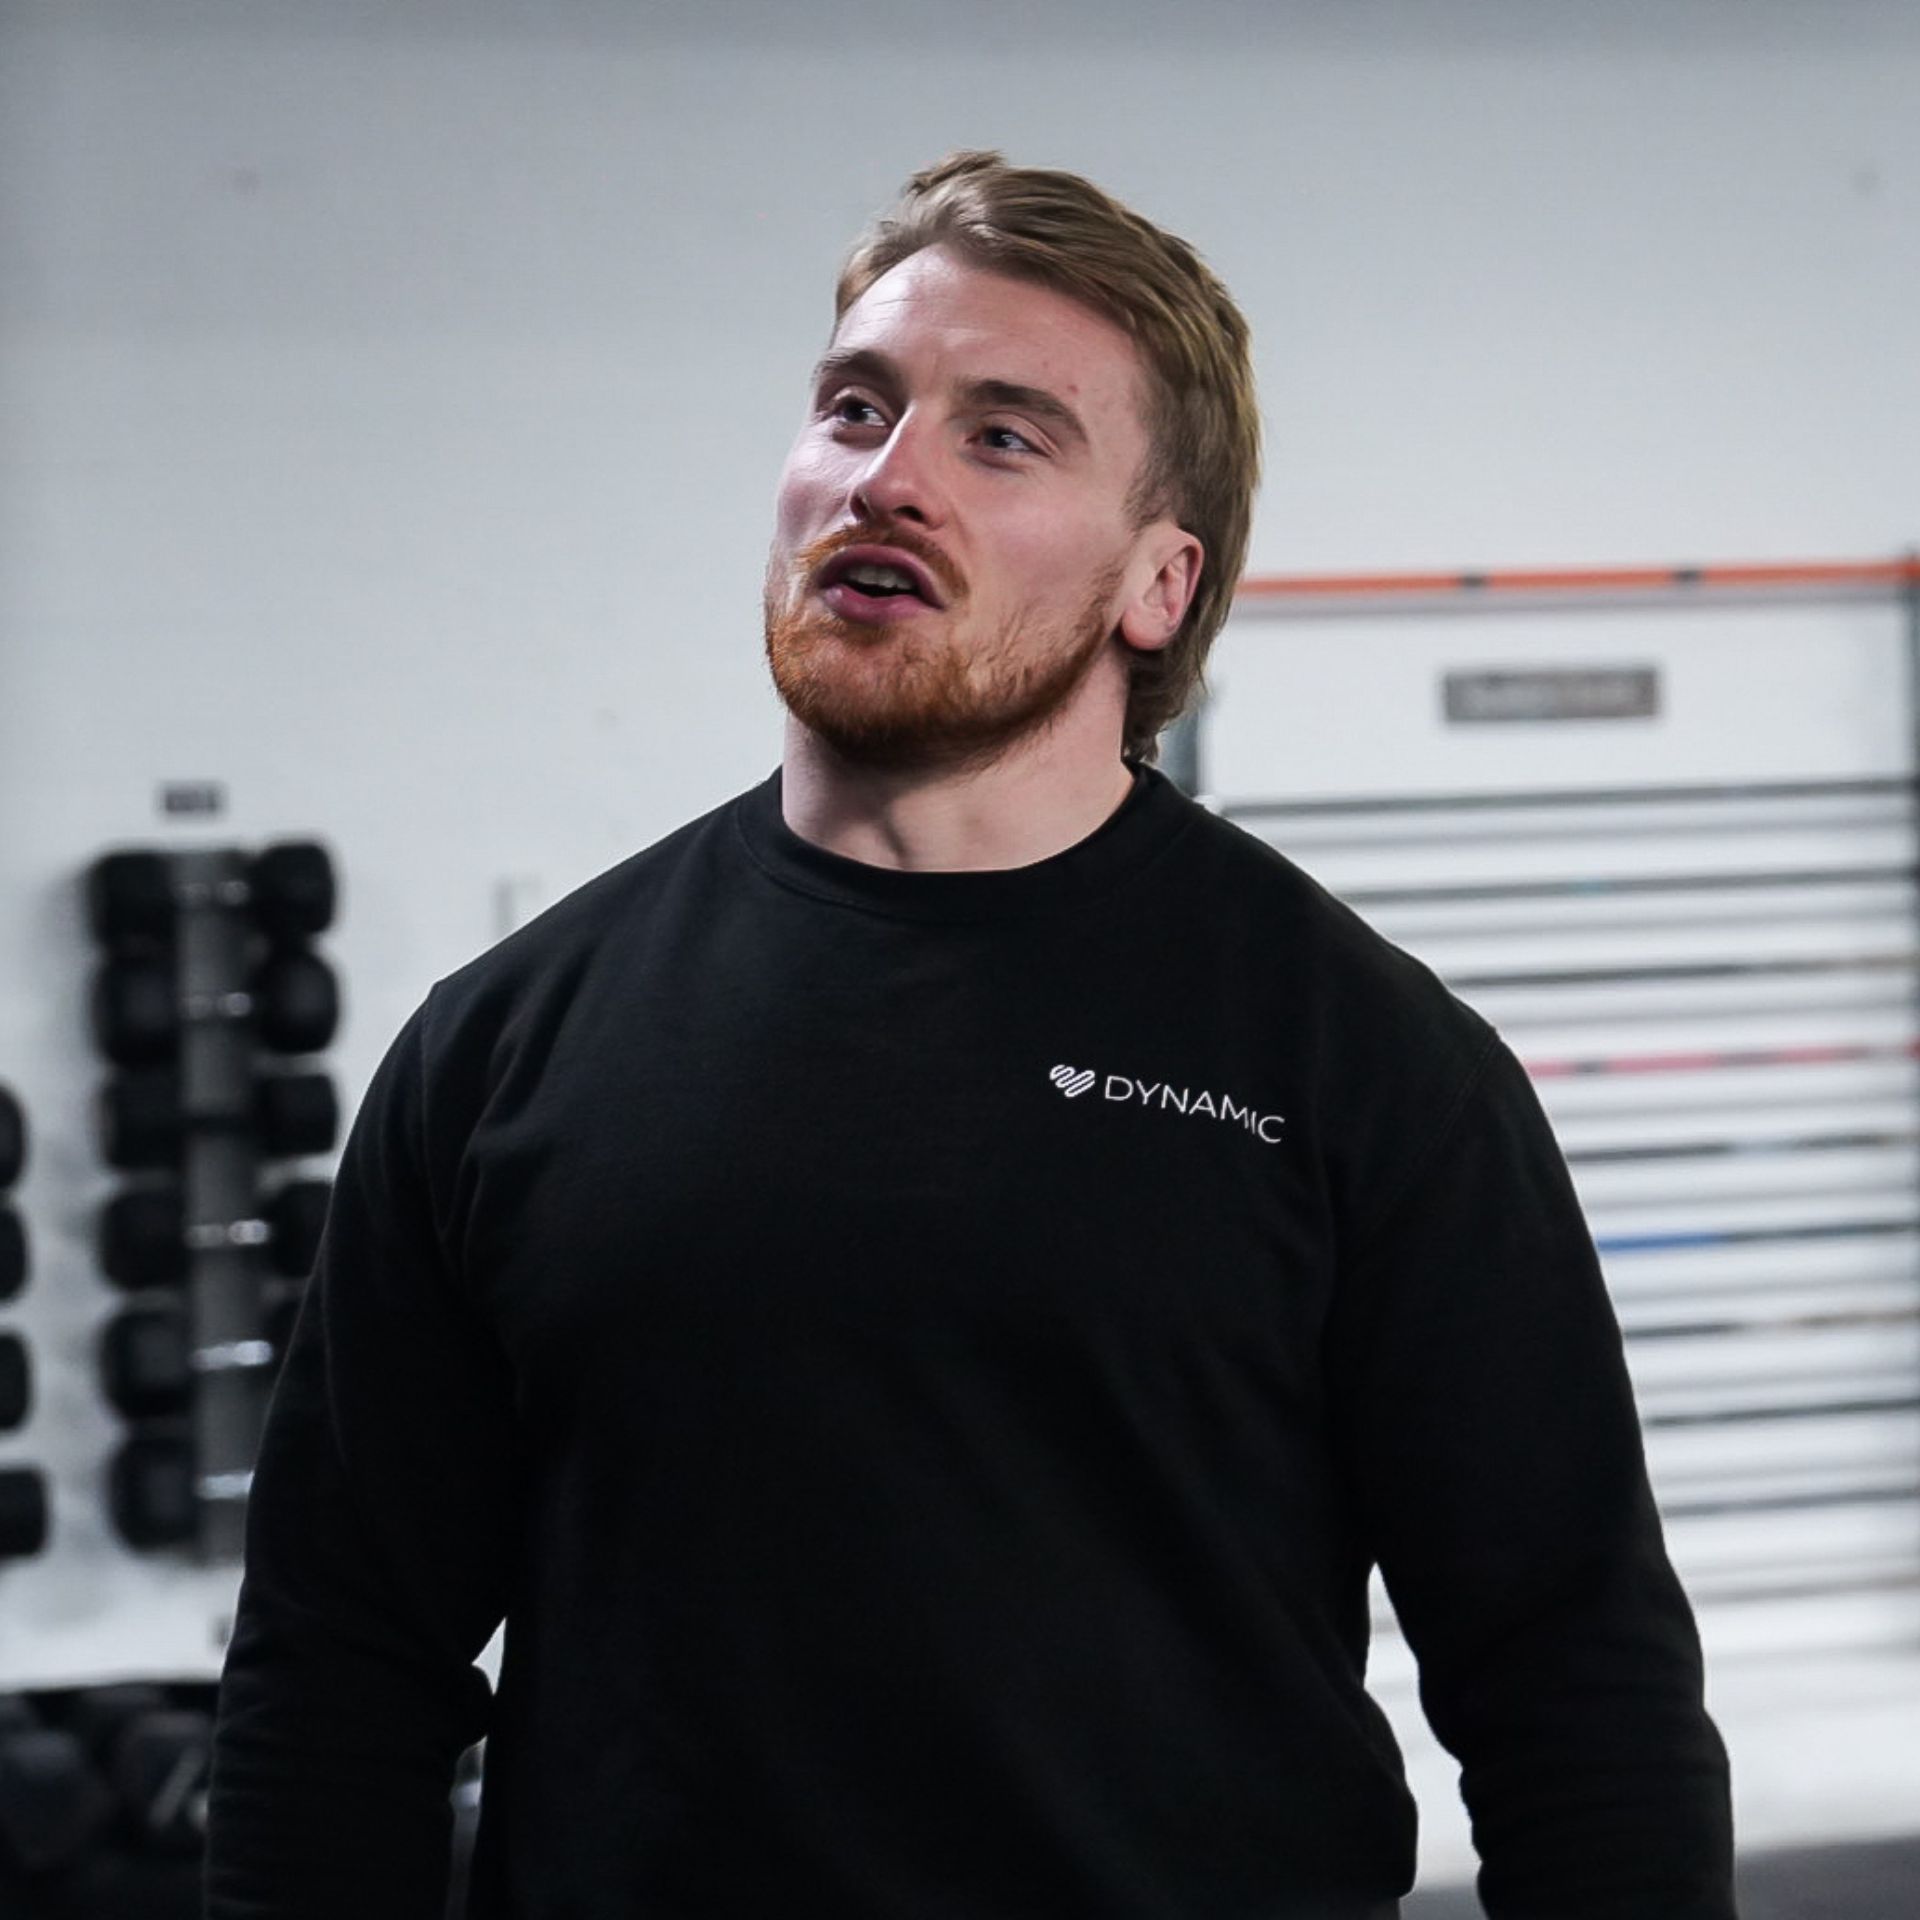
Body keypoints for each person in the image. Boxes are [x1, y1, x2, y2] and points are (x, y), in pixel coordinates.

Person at [206, 152, 1735, 1919]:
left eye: (1003, 436)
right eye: (856, 408)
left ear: (1160, 585)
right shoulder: (505, 1051)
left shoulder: (1364, 1065)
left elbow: (1578, 1696)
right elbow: (335, 1670)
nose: (889, 475)